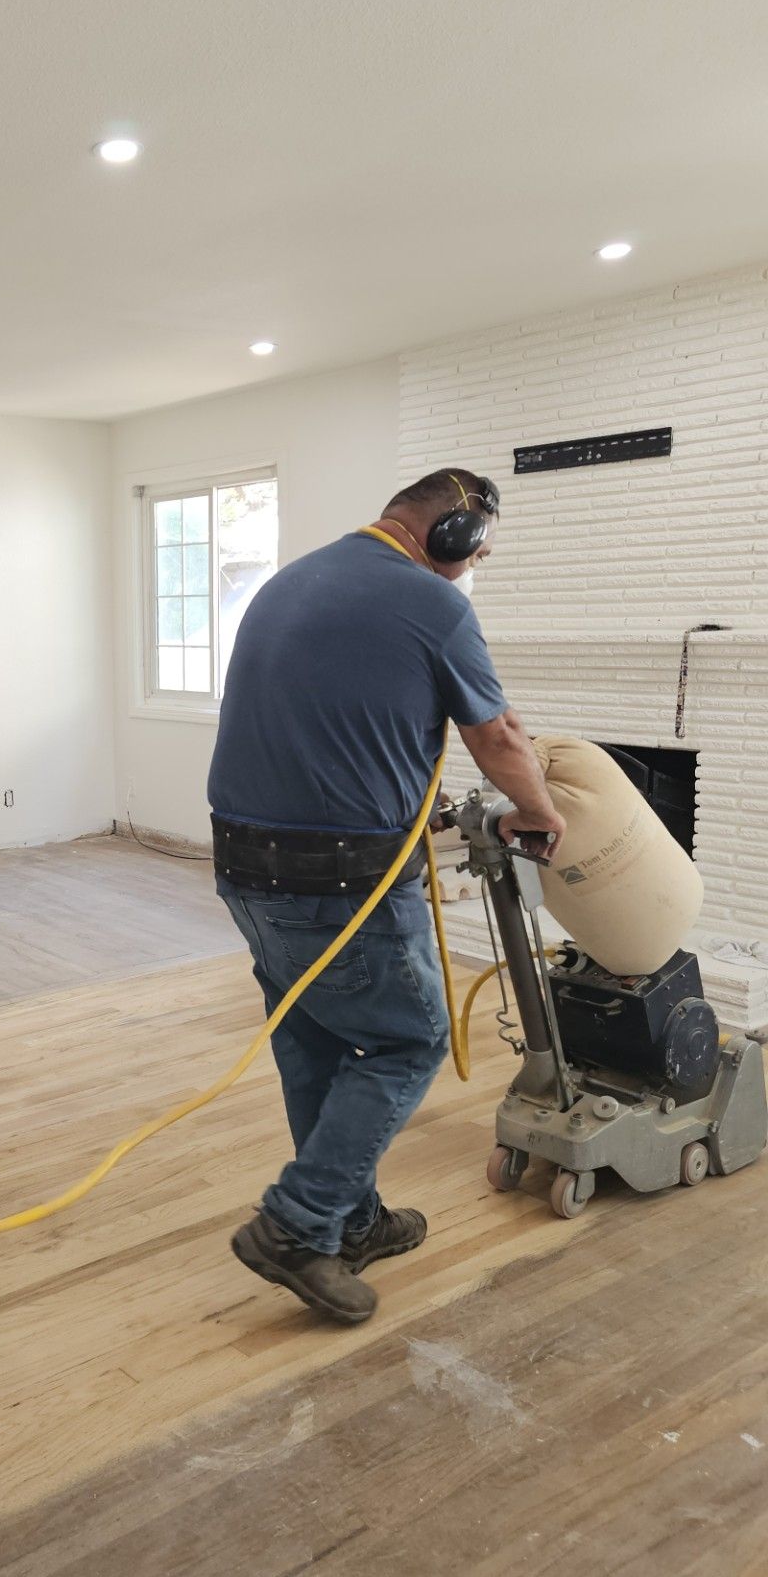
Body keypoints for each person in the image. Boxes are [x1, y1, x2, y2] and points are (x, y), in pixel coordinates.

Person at [209, 469, 565, 1325]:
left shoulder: (290, 580)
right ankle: (296, 1227)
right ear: (450, 536)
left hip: (243, 870)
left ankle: (353, 1219)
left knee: (314, 1040)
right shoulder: (433, 604)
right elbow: (498, 735)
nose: (475, 564)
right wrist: (541, 811)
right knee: (410, 1041)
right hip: (341, 883)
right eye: (479, 547)